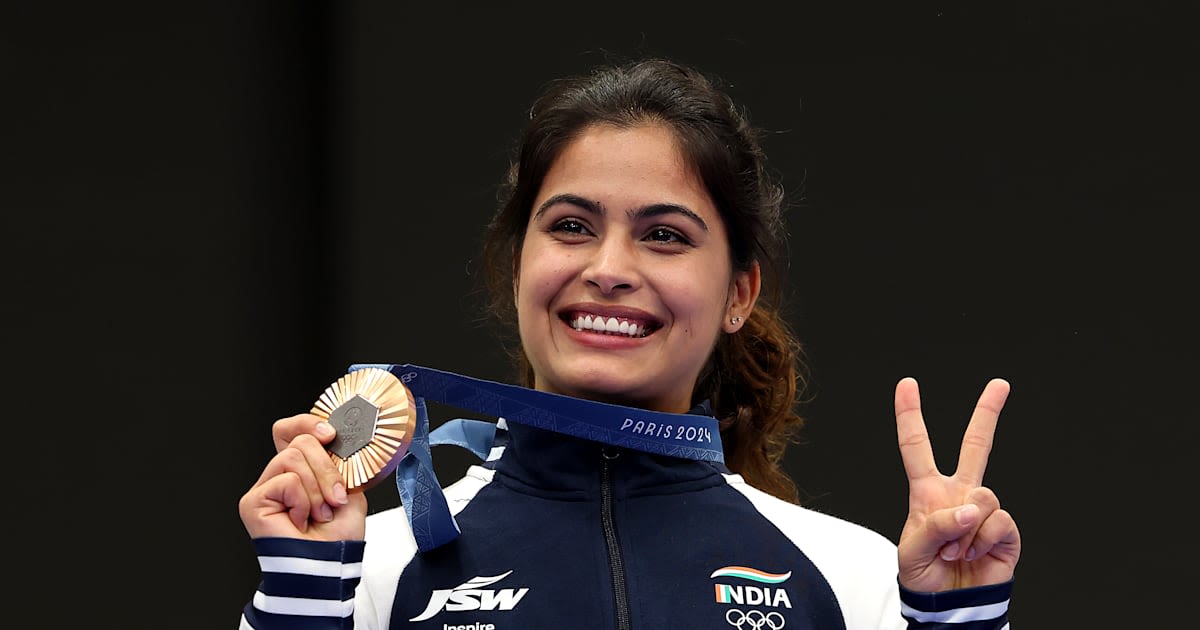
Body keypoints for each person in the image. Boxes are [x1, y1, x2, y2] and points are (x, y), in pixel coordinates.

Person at [237, 57, 1019, 629]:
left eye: (665, 236)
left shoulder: (857, 578)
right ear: (518, 268)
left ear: (738, 295)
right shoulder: (369, 568)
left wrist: (959, 620)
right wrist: (306, 593)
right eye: (572, 227)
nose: (609, 269)